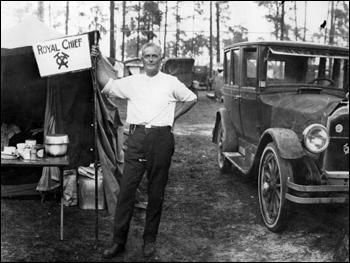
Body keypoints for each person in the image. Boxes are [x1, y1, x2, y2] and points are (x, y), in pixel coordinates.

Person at [91, 42, 197, 258]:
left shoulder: (170, 82)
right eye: (147, 56)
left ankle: (149, 240)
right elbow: (107, 84)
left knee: (155, 193)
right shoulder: (133, 82)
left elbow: (191, 98)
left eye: (154, 56)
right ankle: (118, 242)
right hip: (137, 139)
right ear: (141, 60)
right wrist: (98, 59)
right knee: (126, 192)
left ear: (161, 59)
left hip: (161, 139)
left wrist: (172, 117)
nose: (150, 59)